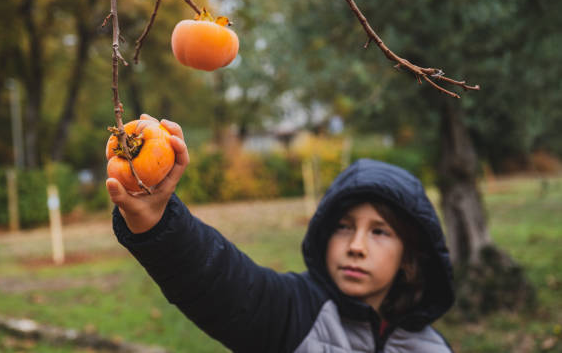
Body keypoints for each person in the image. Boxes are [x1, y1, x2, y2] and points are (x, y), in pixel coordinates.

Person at [107, 114, 455, 353]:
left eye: (380, 232)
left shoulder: (432, 348)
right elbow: (218, 282)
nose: (356, 247)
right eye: (344, 227)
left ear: (410, 255)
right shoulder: (293, 312)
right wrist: (157, 220)